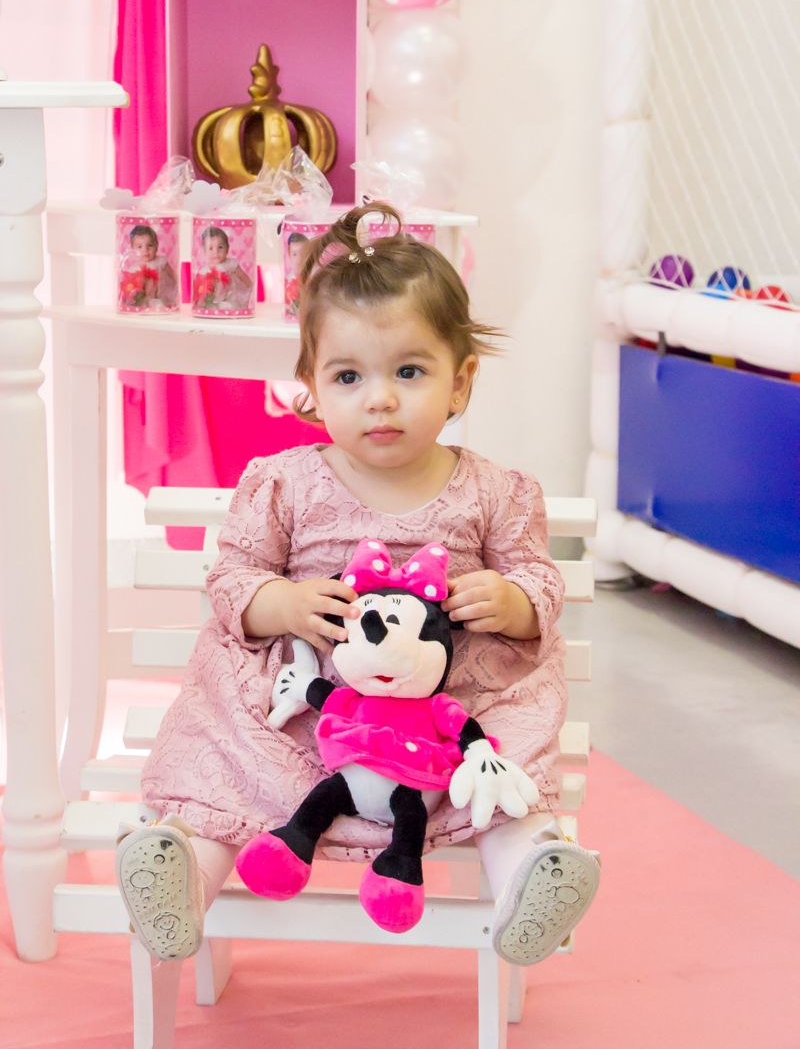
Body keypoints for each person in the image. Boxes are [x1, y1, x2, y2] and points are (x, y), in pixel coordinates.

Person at [118, 201, 600, 968]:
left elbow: (536, 574)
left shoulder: (495, 491)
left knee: (505, 767)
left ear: (460, 380)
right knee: (222, 754)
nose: (380, 397)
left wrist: (513, 603)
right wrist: (281, 602)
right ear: (309, 384)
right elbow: (233, 575)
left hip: (449, 719)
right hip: (311, 719)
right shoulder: (282, 483)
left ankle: (531, 874)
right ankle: (182, 873)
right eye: (349, 375)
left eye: (409, 371)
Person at [192, 225, 254, 312]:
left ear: (227, 248)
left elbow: (242, 276)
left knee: (230, 307)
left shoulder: (230, 263)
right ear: (205, 252)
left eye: (220, 247)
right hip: (213, 301)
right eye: (211, 248)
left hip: (229, 298)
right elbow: (199, 288)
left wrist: (251, 286)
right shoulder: (204, 271)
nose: (216, 252)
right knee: (208, 307)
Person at [120, 223, 178, 309]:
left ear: (157, 245)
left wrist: (178, 284)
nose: (145, 250)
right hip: (145, 296)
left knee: (162, 275)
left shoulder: (161, 262)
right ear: (133, 249)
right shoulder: (135, 267)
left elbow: (173, 276)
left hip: (162, 294)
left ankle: (161, 302)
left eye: (150, 245)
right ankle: (144, 303)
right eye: (139, 247)